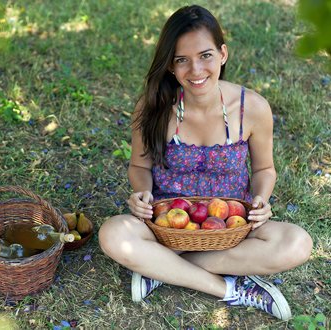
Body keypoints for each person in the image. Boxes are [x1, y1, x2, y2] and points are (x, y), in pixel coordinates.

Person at [98, 5, 312, 321]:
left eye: (206, 55)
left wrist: (261, 200)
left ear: (223, 54)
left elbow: (265, 169)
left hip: (232, 229)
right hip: (166, 228)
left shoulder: (251, 108)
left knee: (298, 243)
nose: (196, 70)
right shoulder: (154, 106)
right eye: (181, 60)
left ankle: (160, 269)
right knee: (113, 234)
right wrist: (141, 193)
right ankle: (230, 289)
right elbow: (140, 166)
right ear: (170, 66)